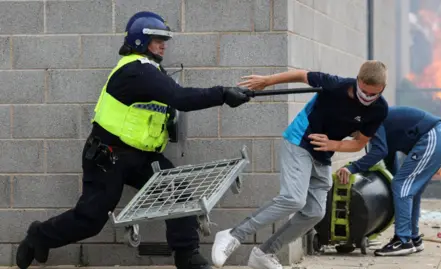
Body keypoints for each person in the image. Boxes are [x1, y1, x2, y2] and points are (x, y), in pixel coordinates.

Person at [15, 11, 251, 269]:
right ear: (140, 41)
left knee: (178, 194)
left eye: (164, 39)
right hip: (109, 155)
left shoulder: (153, 70)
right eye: (158, 40)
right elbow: (181, 97)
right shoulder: (136, 70)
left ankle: (187, 256)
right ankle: (38, 236)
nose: (164, 45)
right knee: (90, 220)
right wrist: (223, 94)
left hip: (142, 157)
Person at [211, 61, 389, 269]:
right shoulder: (335, 85)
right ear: (358, 81)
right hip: (299, 141)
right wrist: (267, 81)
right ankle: (232, 235)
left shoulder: (379, 109)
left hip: (323, 154)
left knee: (315, 212)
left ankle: (264, 253)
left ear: (382, 90)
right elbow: (301, 75)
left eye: (373, 95)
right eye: (364, 92)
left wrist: (332, 144)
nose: (367, 98)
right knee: (294, 199)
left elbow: (359, 143)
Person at [336, 106, 441, 257]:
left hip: (433, 137)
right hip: (440, 138)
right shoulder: (380, 130)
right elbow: (389, 159)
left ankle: (403, 240)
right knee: (410, 190)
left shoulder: (371, 121)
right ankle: (413, 237)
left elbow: (379, 152)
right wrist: (395, 185)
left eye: (354, 135)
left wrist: (352, 168)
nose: (355, 139)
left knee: (403, 186)